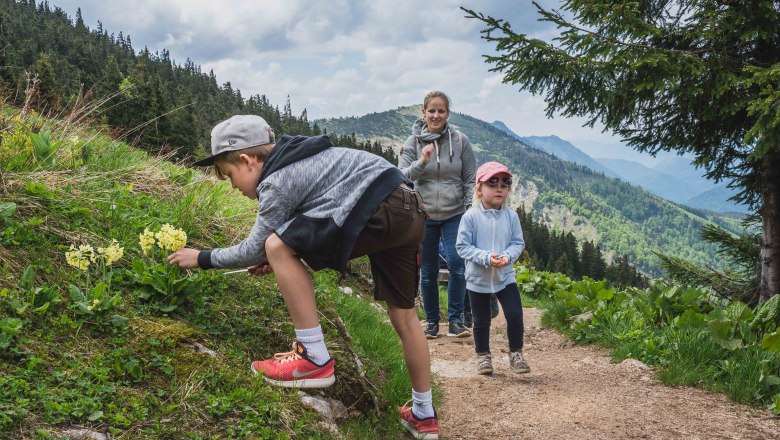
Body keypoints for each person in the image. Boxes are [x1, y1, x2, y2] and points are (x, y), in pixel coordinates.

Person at [167, 115, 439, 439]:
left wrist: (201, 257)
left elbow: (257, 247)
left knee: (274, 245)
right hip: (409, 209)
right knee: (405, 318)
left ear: (246, 159)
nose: (234, 187)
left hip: (377, 209)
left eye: (229, 176)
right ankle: (424, 415)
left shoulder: (276, 179)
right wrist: (282, 253)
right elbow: (316, 212)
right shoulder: (304, 157)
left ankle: (313, 357)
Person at [399, 91, 476, 339]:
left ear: (447, 114)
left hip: (455, 214)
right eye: (431, 110)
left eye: (440, 111)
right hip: (424, 215)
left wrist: (469, 211)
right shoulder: (413, 143)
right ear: (423, 113)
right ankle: (432, 323)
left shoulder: (461, 141)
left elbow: (470, 180)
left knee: (457, 263)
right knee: (429, 270)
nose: (436, 115)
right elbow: (402, 176)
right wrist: (422, 162)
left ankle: (455, 321)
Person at [456, 161, 531, 375]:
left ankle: (516, 354)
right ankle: (483, 356)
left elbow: (518, 243)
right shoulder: (470, 216)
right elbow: (462, 247)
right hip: (478, 279)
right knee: (481, 320)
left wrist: (508, 256)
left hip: (505, 276)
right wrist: (487, 257)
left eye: (505, 183)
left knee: (515, 315)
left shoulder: (511, 216)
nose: (499, 187)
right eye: (492, 182)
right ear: (479, 188)